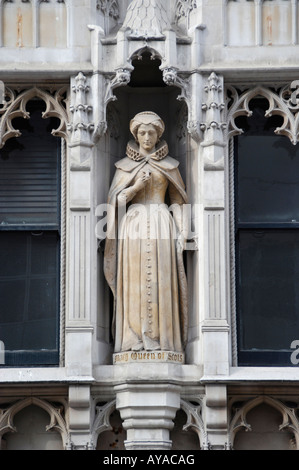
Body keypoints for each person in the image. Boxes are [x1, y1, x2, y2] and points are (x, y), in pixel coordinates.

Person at [104, 111, 188, 353]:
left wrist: (183, 232)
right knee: (134, 282)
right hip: (133, 226)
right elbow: (116, 200)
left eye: (152, 132)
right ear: (135, 135)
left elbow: (178, 201)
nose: (147, 137)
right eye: (142, 132)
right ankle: (133, 339)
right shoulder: (124, 166)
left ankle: (163, 341)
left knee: (161, 281)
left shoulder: (170, 166)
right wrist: (136, 187)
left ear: (159, 135)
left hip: (163, 222)